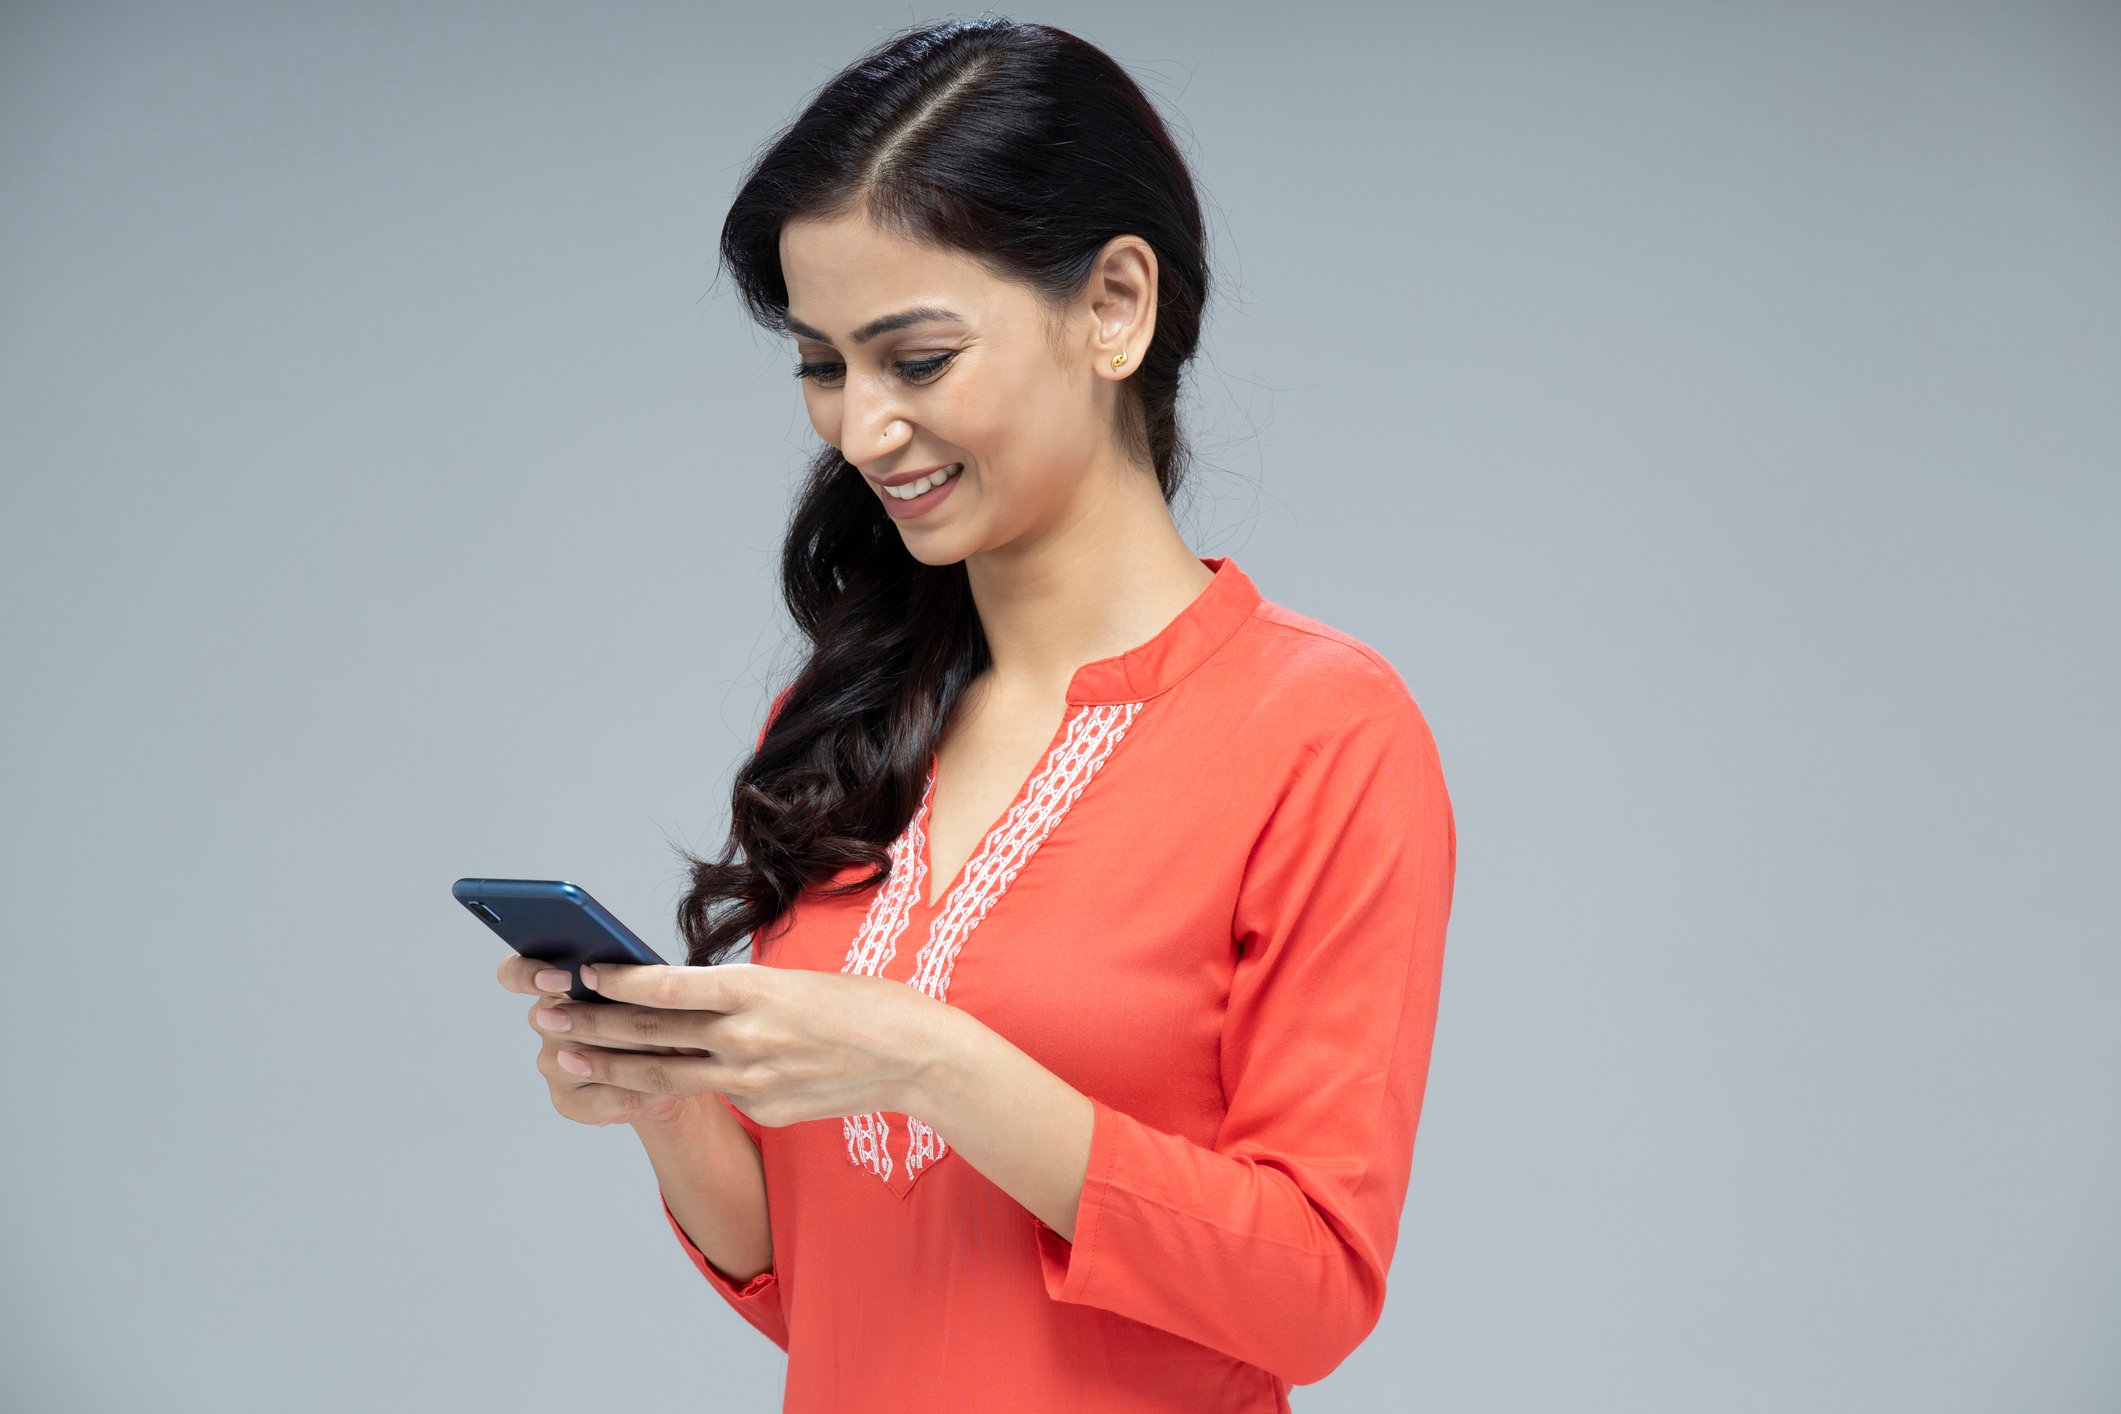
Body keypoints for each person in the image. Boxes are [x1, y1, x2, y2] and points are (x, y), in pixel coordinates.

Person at [494, 17, 1457, 1412]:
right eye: (822, 365)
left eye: (918, 358)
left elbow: (1307, 1289)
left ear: (1113, 306)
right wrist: (667, 1097)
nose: (859, 427)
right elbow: (824, 1285)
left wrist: (930, 1060)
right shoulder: (840, 726)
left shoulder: (1321, 732)